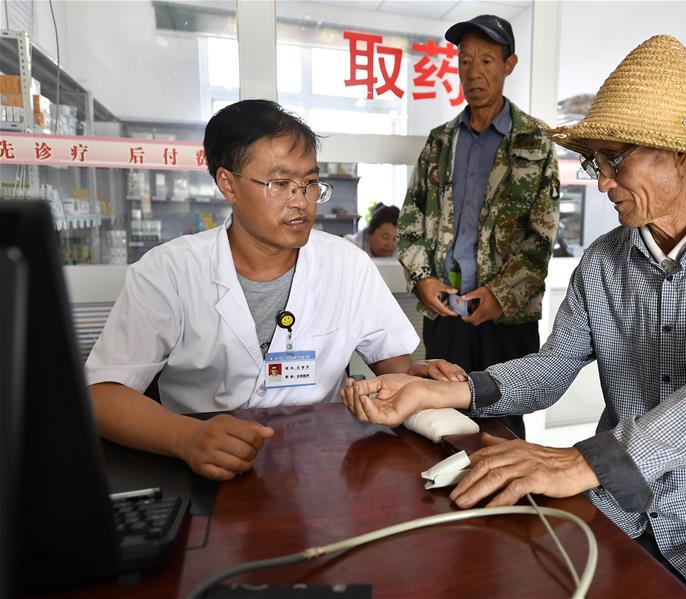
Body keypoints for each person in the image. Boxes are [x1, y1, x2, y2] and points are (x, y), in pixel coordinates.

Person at [344, 35, 686, 598]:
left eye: (615, 159)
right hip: (625, 516)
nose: (602, 182)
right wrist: (446, 391)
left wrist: (585, 461)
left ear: (678, 153)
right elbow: (552, 368)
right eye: (595, 162)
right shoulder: (603, 261)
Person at [86, 100, 461, 482]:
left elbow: (393, 365)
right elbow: (101, 395)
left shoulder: (347, 265)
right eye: (280, 184)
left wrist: (414, 377)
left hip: (322, 470)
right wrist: (187, 437)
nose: (301, 201)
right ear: (228, 184)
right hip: (203, 471)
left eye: (310, 183)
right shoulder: (168, 271)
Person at [397, 14, 560, 439]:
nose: (473, 72)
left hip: (507, 318)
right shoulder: (440, 141)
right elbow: (411, 218)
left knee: (503, 428)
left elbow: (541, 238)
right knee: (439, 421)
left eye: (486, 60)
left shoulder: (535, 142)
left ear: (509, 65)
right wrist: (422, 279)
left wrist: (501, 295)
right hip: (446, 309)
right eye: (465, 61)